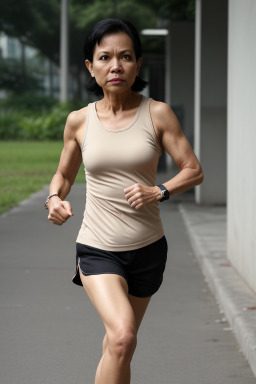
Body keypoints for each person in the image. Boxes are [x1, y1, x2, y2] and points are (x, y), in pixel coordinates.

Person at [45, 18, 204, 384]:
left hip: (148, 250)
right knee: (122, 337)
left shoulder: (158, 114)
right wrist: (53, 197)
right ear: (91, 66)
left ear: (138, 65)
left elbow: (193, 170)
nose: (115, 66)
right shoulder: (79, 121)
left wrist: (159, 190)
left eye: (125, 56)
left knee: (118, 345)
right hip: (98, 247)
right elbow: (65, 175)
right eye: (105, 57)